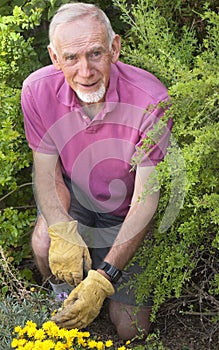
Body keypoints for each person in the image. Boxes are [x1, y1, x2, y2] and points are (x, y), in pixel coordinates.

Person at [21, 2, 172, 341]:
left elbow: (145, 201)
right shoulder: (36, 91)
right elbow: (48, 174)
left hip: (127, 213)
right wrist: (62, 230)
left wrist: (104, 278)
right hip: (77, 198)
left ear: (115, 48)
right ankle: (65, 299)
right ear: (54, 57)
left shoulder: (152, 99)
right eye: (71, 58)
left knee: (131, 330)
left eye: (95, 53)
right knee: (45, 239)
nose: (85, 71)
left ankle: (99, 287)